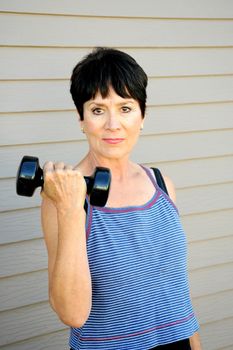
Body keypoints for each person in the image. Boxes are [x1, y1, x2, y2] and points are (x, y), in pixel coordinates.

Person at [41, 47, 202, 350]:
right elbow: (73, 314)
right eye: (98, 110)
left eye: (125, 108)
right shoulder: (62, 196)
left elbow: (177, 291)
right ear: (81, 118)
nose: (113, 124)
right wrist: (71, 208)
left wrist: (195, 343)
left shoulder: (162, 185)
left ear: (143, 116)